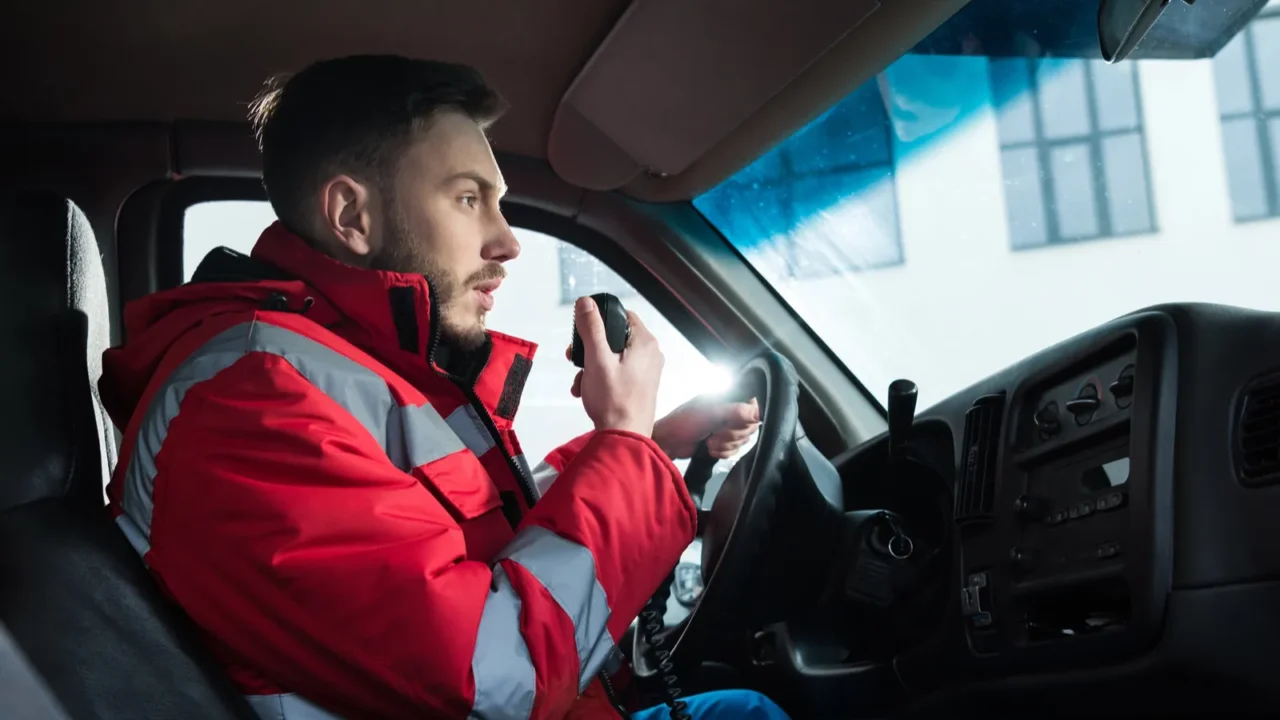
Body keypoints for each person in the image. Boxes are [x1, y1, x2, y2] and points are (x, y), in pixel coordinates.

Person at [99, 55, 789, 720]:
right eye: (468, 199)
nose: (507, 242)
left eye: (497, 203)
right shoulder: (248, 403)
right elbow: (493, 683)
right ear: (352, 216)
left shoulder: (349, 367)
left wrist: (646, 444)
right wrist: (625, 452)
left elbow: (468, 536)